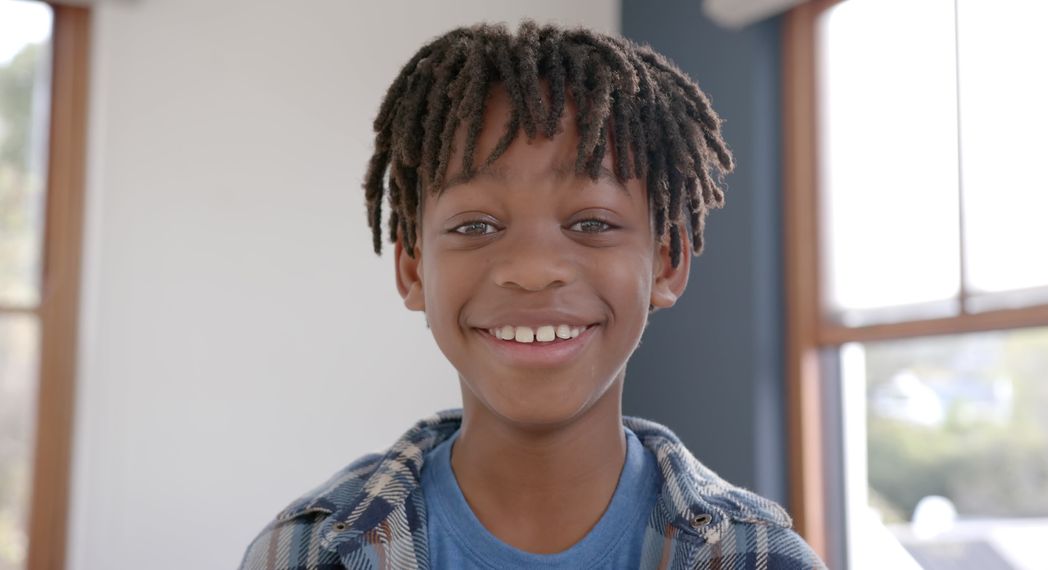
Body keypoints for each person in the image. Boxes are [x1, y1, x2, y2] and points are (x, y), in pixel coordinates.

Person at [239, 20, 826, 569]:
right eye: (475, 226)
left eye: (592, 222)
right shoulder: (303, 552)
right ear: (413, 269)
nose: (533, 269)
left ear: (667, 262)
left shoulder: (760, 557)